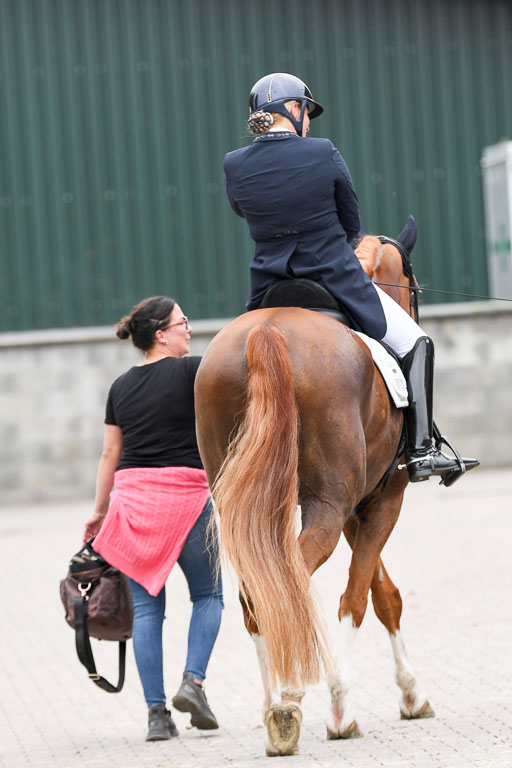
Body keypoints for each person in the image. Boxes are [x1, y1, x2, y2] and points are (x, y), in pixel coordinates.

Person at [223, 72, 478, 485]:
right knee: (416, 342)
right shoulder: (322, 152)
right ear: (293, 109)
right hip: (335, 276)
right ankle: (422, 451)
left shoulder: (233, 163)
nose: (309, 122)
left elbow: (241, 209)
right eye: (307, 113)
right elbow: (351, 222)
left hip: (268, 284)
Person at [82, 295, 222, 741]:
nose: (190, 329)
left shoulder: (119, 387)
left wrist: (98, 513)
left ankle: (157, 716)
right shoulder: (192, 371)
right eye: (183, 322)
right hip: (187, 499)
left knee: (146, 610)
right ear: (161, 334)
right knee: (209, 595)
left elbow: (110, 453)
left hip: (135, 505)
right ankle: (193, 682)